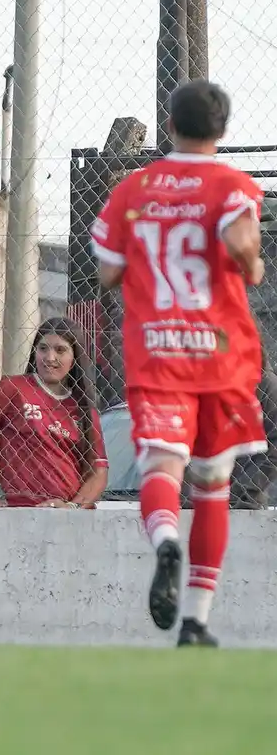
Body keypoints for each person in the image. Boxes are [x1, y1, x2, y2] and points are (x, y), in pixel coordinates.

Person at [92, 78, 266, 647]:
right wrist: (252, 266)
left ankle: (165, 540)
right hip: (220, 355)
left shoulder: (132, 189)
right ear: (221, 130)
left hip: (158, 351)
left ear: (170, 125)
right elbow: (242, 244)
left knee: (161, 470)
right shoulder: (232, 184)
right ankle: (195, 621)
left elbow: (108, 273)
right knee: (213, 483)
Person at [0, 317, 109, 509]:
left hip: (70, 518)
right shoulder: (10, 389)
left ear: (75, 356)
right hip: (21, 513)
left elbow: (98, 471)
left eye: (60, 350)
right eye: (43, 348)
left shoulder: (83, 405)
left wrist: (72, 508)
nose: (50, 358)